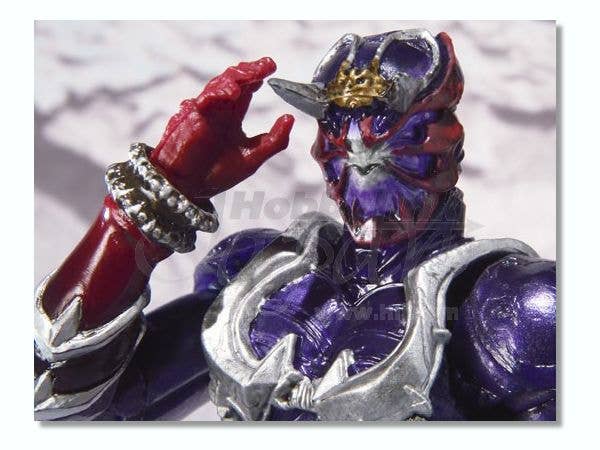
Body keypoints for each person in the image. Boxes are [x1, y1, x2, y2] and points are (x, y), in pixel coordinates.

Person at [34, 29, 556, 421]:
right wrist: (152, 203)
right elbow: (63, 402)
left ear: (447, 147)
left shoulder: (514, 308)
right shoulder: (258, 276)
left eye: (388, 135)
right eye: (338, 133)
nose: (359, 155)